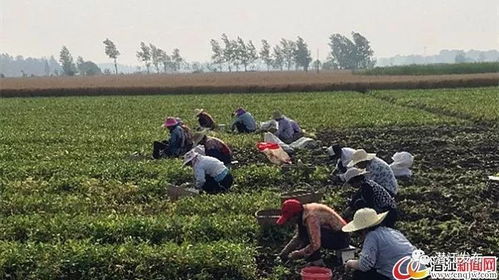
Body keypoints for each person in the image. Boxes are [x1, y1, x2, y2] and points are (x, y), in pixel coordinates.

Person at [342, 208, 426, 280]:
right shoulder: (390, 231)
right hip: (420, 269)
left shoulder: (372, 236)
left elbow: (365, 265)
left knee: (359, 275)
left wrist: (349, 263)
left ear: (362, 230)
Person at [276, 199, 351, 266]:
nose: (289, 222)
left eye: (289, 219)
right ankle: (314, 260)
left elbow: (315, 245)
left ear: (296, 215)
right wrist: (285, 252)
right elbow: (299, 237)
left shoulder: (311, 217)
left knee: (309, 238)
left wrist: (298, 254)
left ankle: (317, 263)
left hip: (341, 237)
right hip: (332, 233)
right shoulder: (304, 213)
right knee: (306, 236)